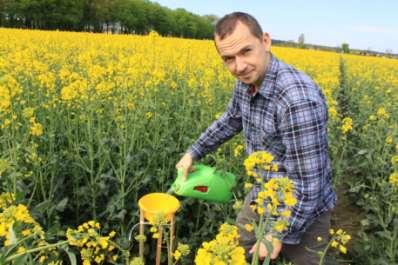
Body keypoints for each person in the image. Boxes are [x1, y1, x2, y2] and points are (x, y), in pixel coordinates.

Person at [175, 12, 337, 265]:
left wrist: (276, 233)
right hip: (263, 193)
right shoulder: (248, 79)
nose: (239, 66)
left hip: (304, 209)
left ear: (266, 41)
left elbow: (308, 185)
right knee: (241, 249)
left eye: (246, 51)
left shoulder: (296, 100)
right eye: (228, 59)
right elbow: (231, 119)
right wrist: (193, 152)